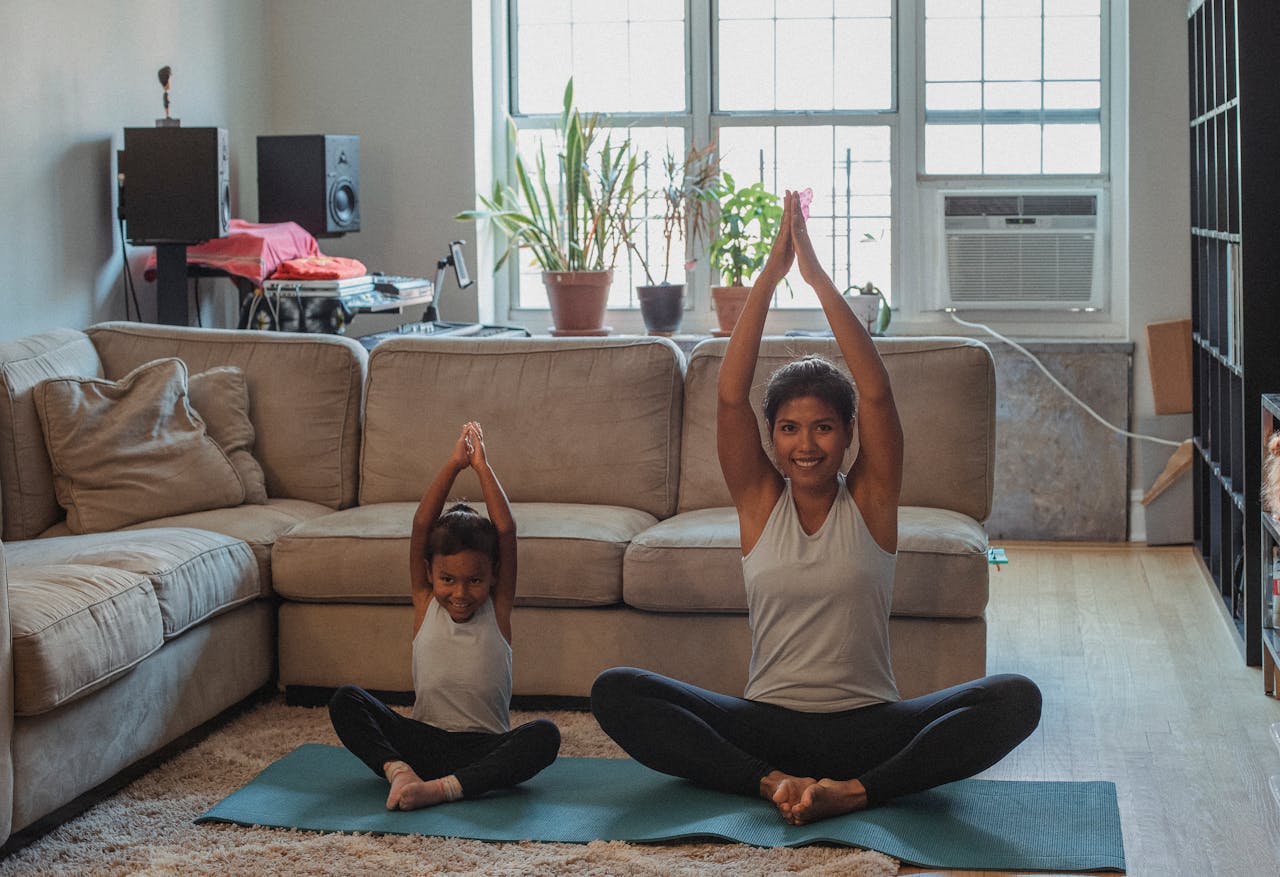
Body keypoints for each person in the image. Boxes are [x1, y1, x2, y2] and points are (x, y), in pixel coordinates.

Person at [591, 190, 1041, 825]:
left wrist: (813, 275)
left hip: (871, 724)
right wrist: (767, 281)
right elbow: (727, 398)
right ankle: (773, 784)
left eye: (824, 427)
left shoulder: (872, 500)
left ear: (848, 434)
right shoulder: (757, 501)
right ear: (770, 437)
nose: (806, 444)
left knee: (1016, 698)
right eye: (790, 429)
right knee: (617, 692)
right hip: (765, 724)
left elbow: (877, 392)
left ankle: (854, 791)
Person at [329, 421, 559, 810]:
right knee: (346, 700)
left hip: (486, 748)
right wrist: (453, 466)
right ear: (429, 572)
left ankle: (439, 790)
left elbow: (506, 531)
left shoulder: (497, 607)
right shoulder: (425, 601)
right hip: (423, 742)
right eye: (448, 579)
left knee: (545, 736)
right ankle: (401, 773)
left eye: (474, 580)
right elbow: (422, 524)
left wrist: (482, 467)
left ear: (494, 576)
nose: (461, 593)